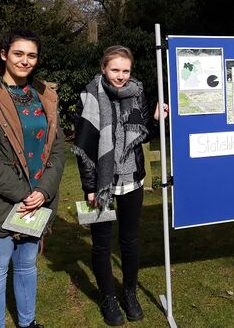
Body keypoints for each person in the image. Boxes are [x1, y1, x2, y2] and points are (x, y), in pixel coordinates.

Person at [0, 29, 65, 327]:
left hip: (37, 199)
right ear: (4, 54)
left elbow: (58, 149)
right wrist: (24, 193)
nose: (25, 60)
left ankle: (28, 322)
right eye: (19, 53)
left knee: (26, 266)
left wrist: (43, 191)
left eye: (31, 55)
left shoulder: (44, 96)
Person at [72, 45, 167, 326]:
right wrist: (90, 186)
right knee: (102, 244)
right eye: (115, 69)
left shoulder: (137, 93)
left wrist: (157, 120)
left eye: (125, 70)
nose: (121, 76)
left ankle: (129, 294)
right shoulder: (89, 97)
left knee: (130, 241)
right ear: (104, 68)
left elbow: (144, 134)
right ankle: (109, 298)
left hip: (132, 180)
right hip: (102, 183)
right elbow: (85, 146)